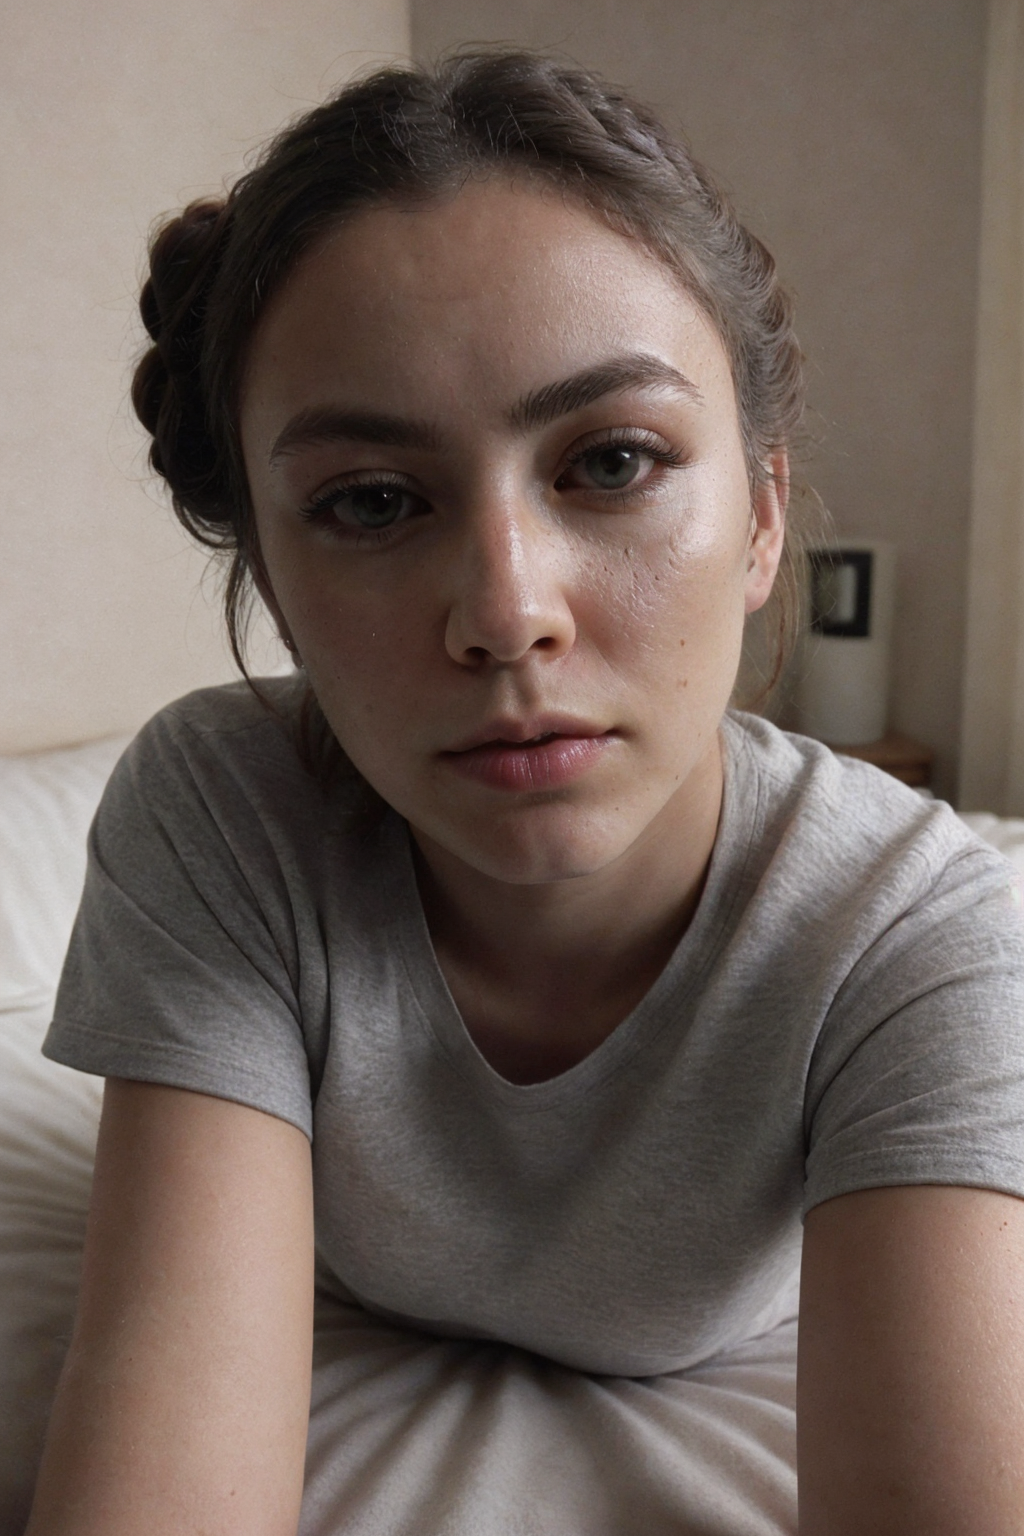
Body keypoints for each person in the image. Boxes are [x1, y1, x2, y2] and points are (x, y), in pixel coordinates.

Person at [26, 48, 1024, 1536]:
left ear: (761, 518)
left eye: (612, 462)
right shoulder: (225, 809)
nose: (506, 613)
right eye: (372, 502)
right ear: (274, 584)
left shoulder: (916, 933)